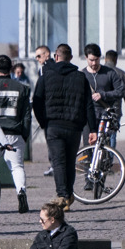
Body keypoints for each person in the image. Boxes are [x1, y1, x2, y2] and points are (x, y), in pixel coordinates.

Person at [32, 44, 92, 207]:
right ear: (71, 58)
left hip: (53, 125)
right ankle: (68, 194)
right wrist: (92, 128)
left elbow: (36, 101)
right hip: (74, 126)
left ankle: (63, 195)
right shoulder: (81, 77)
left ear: (56, 57)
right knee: (70, 162)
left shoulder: (46, 76)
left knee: (58, 162)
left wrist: (43, 121)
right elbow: (88, 105)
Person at [0, 55, 33, 213]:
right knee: (17, 167)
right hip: (14, 132)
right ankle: (21, 191)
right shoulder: (22, 88)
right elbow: (26, 115)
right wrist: (24, 135)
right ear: (11, 68)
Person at [82, 43, 125, 154]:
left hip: (105, 114)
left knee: (104, 146)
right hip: (87, 116)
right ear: (86, 57)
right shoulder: (82, 75)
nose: (94, 63)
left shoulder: (109, 73)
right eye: (91, 60)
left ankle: (104, 167)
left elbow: (120, 91)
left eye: (96, 60)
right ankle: (89, 167)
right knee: (88, 146)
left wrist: (103, 95)